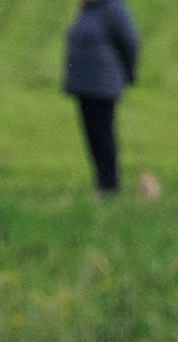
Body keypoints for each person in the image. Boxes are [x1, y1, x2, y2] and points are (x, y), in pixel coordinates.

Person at [62, 0, 141, 199]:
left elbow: (130, 41)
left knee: (103, 137)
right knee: (93, 139)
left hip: (103, 87)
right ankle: (102, 185)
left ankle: (110, 187)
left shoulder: (113, 8)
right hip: (84, 86)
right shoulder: (86, 10)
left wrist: (128, 74)